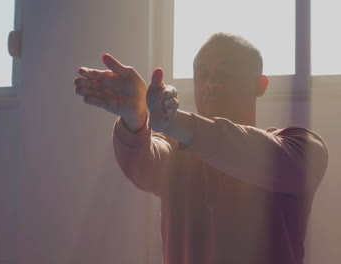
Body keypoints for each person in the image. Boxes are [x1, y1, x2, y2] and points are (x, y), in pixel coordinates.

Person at [73, 33, 328, 264]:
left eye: (225, 74)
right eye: (203, 74)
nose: (211, 84)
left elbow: (261, 155)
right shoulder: (175, 150)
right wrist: (134, 118)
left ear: (260, 85)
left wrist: (175, 122)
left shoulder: (302, 147)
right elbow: (144, 164)